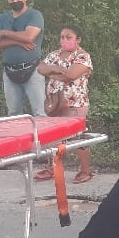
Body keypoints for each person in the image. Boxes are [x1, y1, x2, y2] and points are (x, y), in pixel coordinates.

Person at [36, 25, 93, 183]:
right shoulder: (54, 55)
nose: (64, 40)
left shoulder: (83, 56)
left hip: (75, 103)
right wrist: (55, 69)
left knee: (77, 136)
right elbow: (40, 68)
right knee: (52, 136)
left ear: (78, 40)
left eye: (69, 37)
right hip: (54, 103)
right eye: (62, 37)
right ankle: (52, 168)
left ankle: (85, 170)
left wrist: (52, 72)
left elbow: (72, 75)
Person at [0, 0, 45, 116]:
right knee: (14, 113)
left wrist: (5, 33)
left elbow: (29, 37)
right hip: (9, 70)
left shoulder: (35, 15)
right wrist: (19, 43)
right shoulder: (3, 17)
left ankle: (43, 137)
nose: (14, 1)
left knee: (39, 111)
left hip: (32, 69)